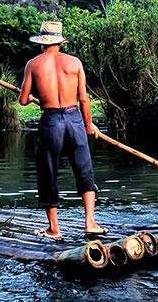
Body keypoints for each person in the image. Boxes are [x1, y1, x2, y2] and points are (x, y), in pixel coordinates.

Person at [19, 20, 107, 242]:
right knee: (84, 169)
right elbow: (84, 99)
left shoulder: (33, 64)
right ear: (60, 40)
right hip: (74, 118)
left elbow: (22, 99)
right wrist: (89, 124)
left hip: (51, 122)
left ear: (42, 42)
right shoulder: (74, 62)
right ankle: (90, 223)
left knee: (48, 173)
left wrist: (35, 99)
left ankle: (54, 229)